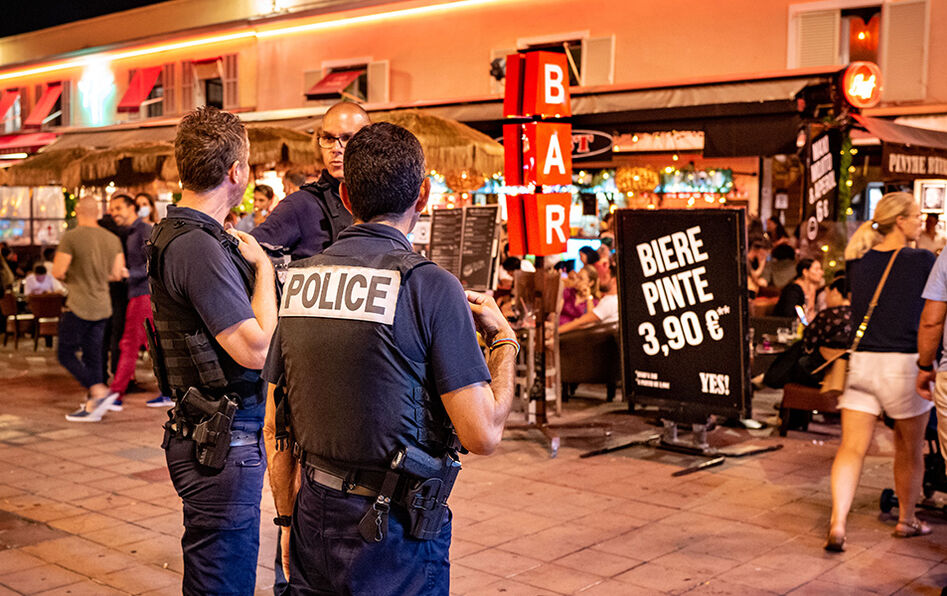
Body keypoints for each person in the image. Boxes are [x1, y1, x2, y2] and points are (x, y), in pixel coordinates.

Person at [262, 122, 516, 595]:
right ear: (424, 195)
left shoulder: (299, 281)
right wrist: (504, 341)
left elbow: (276, 424)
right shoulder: (430, 286)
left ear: (346, 196)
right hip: (394, 535)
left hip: (314, 517)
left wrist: (285, 521)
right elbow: (482, 434)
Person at [148, 106, 277, 594]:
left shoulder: (188, 236)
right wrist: (263, 270)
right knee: (223, 580)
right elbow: (256, 350)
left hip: (214, 432)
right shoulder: (196, 246)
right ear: (236, 172)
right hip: (220, 440)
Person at [826, 192, 934, 552]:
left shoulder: (858, 261)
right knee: (910, 449)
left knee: (851, 447)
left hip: (863, 362)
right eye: (916, 216)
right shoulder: (922, 260)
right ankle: (907, 519)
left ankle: (838, 523)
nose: (921, 221)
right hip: (904, 363)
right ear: (899, 221)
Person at [251, 101, 370, 261]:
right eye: (328, 138)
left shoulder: (384, 201)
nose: (336, 148)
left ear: (369, 142)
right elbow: (244, 253)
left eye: (347, 138)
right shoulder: (300, 205)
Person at [54, 197, 125, 422]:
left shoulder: (71, 237)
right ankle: (94, 406)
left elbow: (58, 271)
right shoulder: (112, 239)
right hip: (103, 305)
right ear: (97, 213)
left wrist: (75, 277)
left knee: (65, 353)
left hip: (78, 305)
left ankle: (98, 390)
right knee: (93, 354)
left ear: (77, 211)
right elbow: (117, 274)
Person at [104, 194, 167, 410]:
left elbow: (155, 261)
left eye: (118, 208)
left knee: (131, 344)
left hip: (143, 295)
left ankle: (116, 393)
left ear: (131, 208)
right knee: (151, 344)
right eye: (112, 209)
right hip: (139, 294)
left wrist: (129, 273)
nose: (114, 213)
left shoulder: (143, 230)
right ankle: (168, 391)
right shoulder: (131, 232)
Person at [559, 261, 618, 333]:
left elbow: (586, 323)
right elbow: (556, 312)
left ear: (590, 283)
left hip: (570, 333)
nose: (577, 281)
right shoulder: (568, 291)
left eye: (581, 278)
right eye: (577, 277)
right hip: (558, 326)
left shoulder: (596, 302)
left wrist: (556, 332)